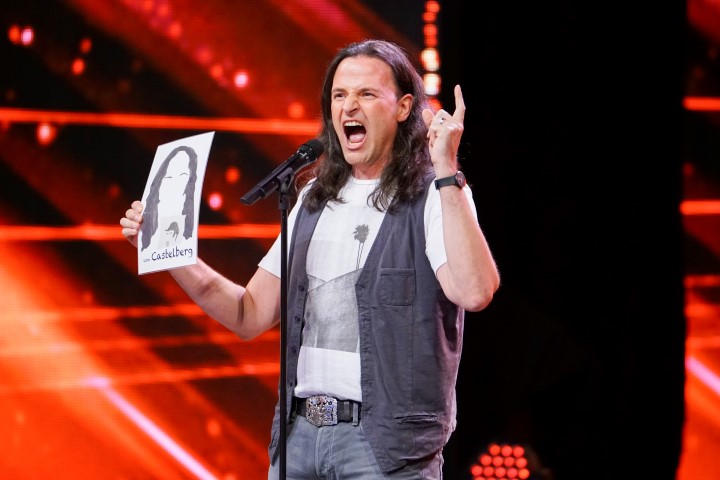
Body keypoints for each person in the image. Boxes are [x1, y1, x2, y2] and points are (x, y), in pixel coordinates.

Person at [120, 39, 500, 479]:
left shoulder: (433, 194)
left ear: (403, 107)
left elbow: (475, 292)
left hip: (385, 450)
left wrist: (447, 171)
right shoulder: (313, 201)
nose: (349, 107)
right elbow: (249, 313)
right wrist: (169, 253)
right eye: (339, 95)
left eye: (366, 94)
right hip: (299, 441)